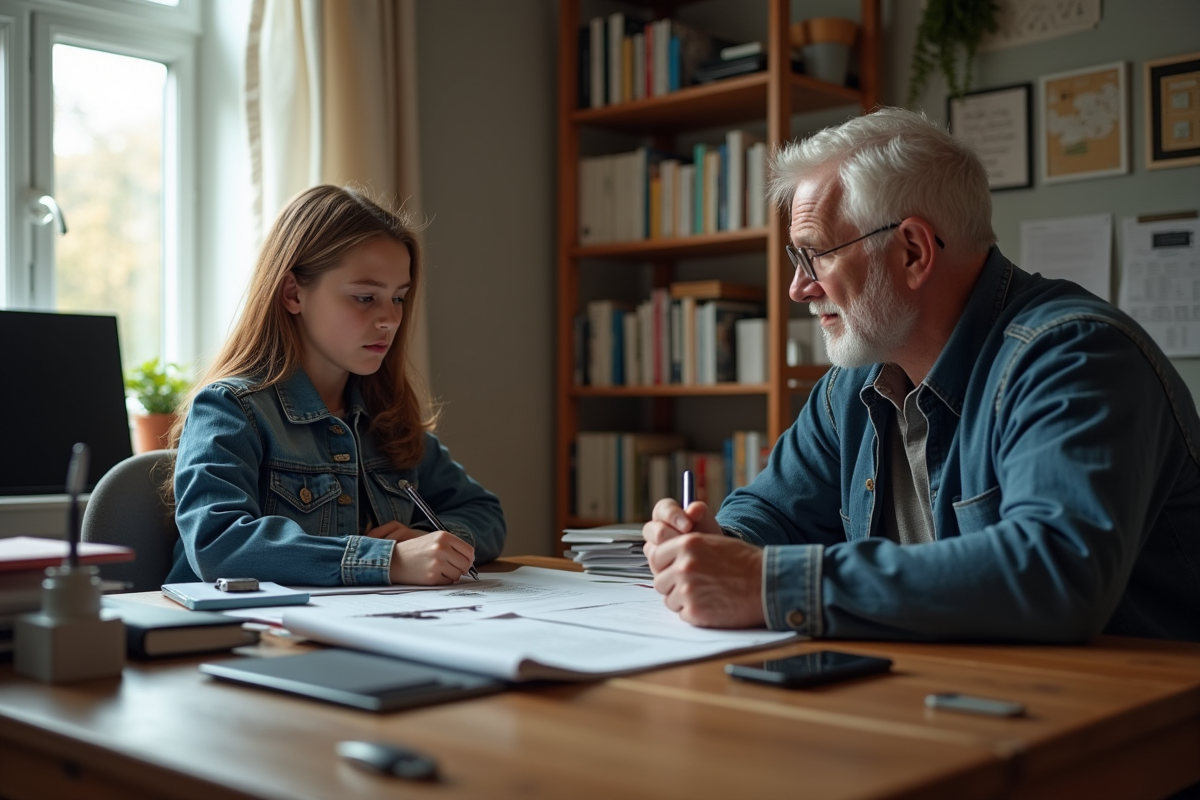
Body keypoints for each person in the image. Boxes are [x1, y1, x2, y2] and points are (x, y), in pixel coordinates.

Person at [644, 107, 1200, 643]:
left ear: (912, 250)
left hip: (1132, 723)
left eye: (816, 256)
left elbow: (1054, 573)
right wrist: (715, 544)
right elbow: (770, 511)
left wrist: (764, 584)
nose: (800, 288)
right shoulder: (853, 384)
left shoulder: (1074, 358)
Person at [165, 185, 505, 586]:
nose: (389, 320)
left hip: (370, 627)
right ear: (293, 293)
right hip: (247, 640)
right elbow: (218, 544)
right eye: (364, 297)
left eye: (398, 298)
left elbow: (485, 514)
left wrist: (434, 542)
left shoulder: (385, 416)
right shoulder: (231, 409)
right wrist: (386, 560)